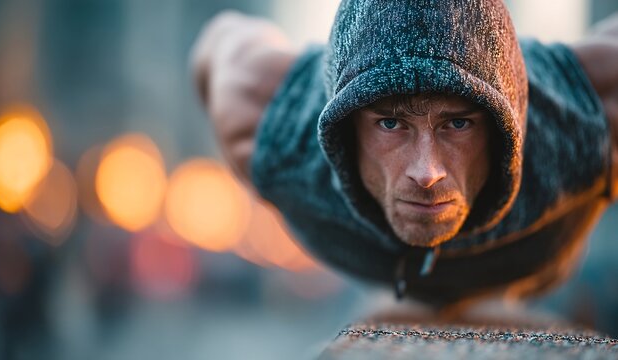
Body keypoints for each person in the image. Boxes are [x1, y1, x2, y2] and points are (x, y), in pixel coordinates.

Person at [191, 0, 618, 306]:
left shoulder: (587, 125)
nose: (426, 172)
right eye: (391, 124)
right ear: (344, 131)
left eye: (458, 123)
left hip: (534, 275)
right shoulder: (271, 130)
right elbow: (218, 38)